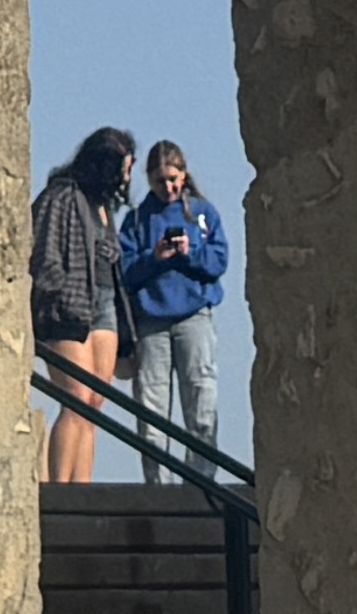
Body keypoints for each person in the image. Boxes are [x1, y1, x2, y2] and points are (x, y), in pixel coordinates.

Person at [30, 126, 137, 480]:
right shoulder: (60, 197)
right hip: (68, 308)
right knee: (75, 398)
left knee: (94, 406)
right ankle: (61, 490)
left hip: (104, 307)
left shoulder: (103, 206)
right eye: (124, 166)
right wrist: (56, 296)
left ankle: (83, 487)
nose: (127, 175)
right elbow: (43, 255)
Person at [117, 139, 232, 450]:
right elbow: (123, 272)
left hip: (194, 318)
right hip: (151, 322)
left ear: (183, 175)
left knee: (201, 403)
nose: (167, 187)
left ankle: (200, 487)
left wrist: (189, 253)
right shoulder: (137, 221)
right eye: (159, 181)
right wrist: (154, 258)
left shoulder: (203, 213)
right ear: (149, 179)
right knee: (151, 412)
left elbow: (219, 261)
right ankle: (158, 490)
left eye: (172, 179)